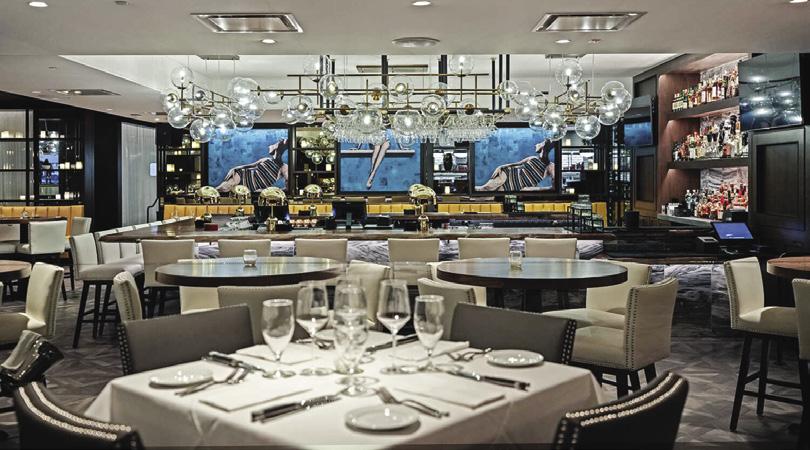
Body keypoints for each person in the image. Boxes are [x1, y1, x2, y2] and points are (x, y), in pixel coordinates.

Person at [477, 140, 555, 191]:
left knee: (490, 196)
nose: (536, 144)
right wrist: (500, 167)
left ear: (543, 146)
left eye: (540, 143)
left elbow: (554, 187)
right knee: (485, 188)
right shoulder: (533, 158)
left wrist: (535, 189)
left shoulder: (550, 166)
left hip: (515, 187)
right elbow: (516, 164)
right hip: (507, 174)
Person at [215, 138, 289, 193]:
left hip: (251, 189)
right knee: (223, 188)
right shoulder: (265, 160)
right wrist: (234, 169)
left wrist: (270, 192)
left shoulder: (283, 167)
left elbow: (288, 187)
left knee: (229, 192)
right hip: (242, 175)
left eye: (275, 144)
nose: (269, 146)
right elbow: (249, 166)